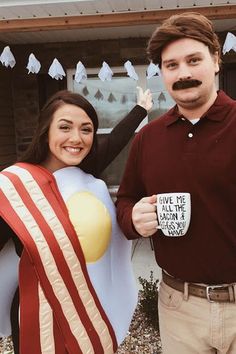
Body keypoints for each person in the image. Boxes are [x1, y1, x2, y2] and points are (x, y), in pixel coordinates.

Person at [116, 12, 236, 354]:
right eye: (171, 65)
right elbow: (125, 202)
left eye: (193, 60)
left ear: (215, 60)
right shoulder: (148, 139)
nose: (183, 73)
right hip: (178, 306)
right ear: (162, 73)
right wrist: (133, 219)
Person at [0, 88, 152, 354]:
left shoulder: (85, 175)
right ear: (46, 131)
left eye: (86, 129)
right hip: (37, 313)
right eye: (65, 127)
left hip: (89, 306)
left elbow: (114, 142)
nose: (76, 138)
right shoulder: (15, 188)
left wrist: (140, 110)